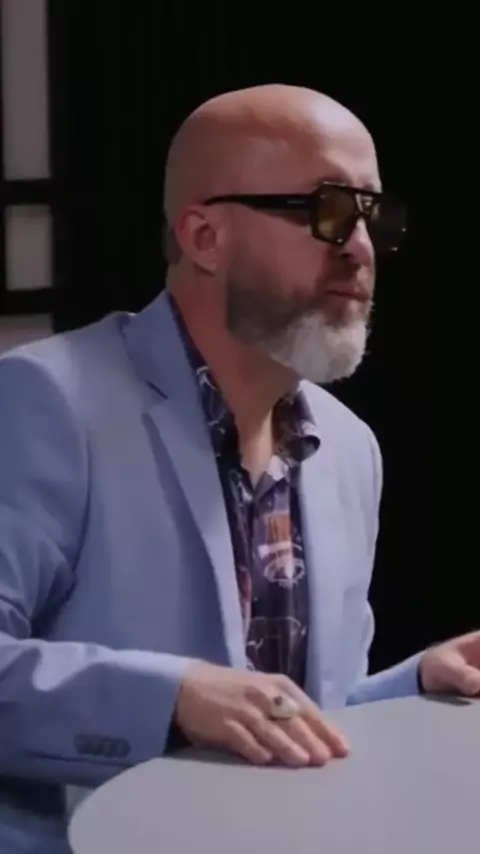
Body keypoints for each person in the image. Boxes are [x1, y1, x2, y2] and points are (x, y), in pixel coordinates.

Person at [0, 83, 479, 853]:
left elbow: (300, 713)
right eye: (328, 209)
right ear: (204, 237)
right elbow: (203, 703)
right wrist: (173, 697)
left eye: (372, 216)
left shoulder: (349, 448)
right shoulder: (48, 402)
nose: (359, 247)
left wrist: (416, 683)